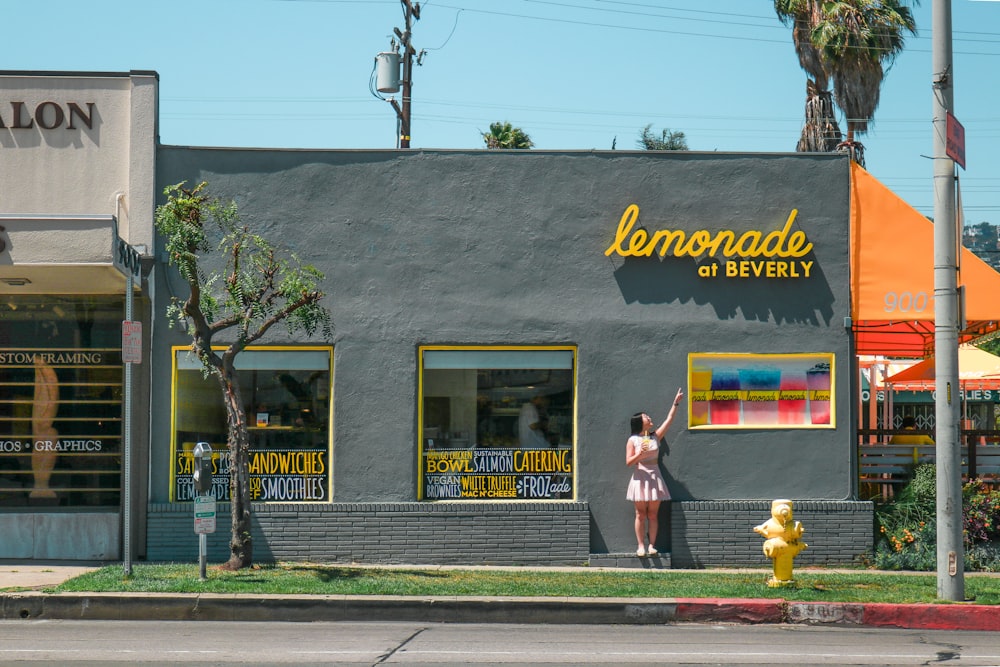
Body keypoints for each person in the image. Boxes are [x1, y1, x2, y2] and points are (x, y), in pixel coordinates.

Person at [626, 388, 683, 557]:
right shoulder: (632, 440)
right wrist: (639, 454)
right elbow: (628, 462)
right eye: (646, 417)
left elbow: (669, 419)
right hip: (640, 478)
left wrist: (676, 402)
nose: (649, 418)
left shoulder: (655, 437)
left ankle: (652, 545)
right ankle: (640, 546)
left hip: (654, 477)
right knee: (640, 514)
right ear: (639, 422)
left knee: (652, 514)